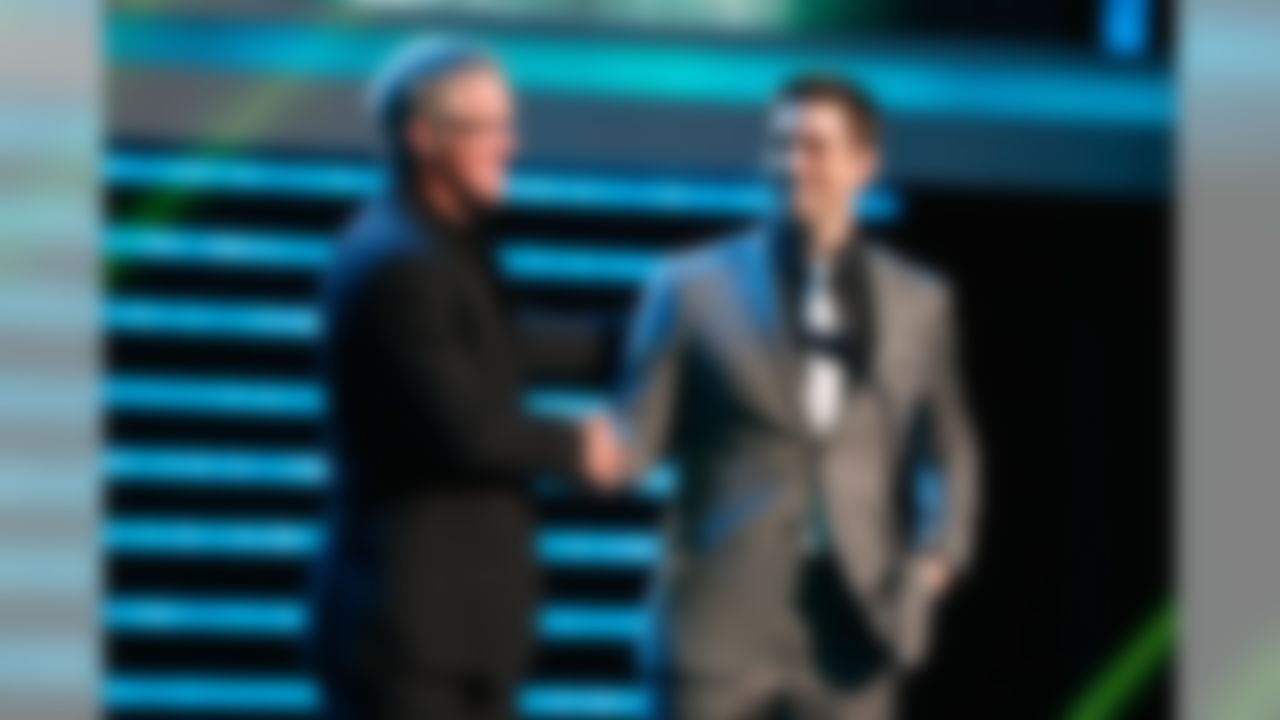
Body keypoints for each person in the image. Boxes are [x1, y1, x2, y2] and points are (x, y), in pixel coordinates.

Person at [611, 75, 982, 719]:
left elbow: (949, 450)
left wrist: (935, 560)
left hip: (855, 631)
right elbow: (634, 437)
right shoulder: (689, 287)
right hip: (716, 626)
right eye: (782, 145)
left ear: (865, 164)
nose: (792, 164)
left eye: (814, 146)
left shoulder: (919, 302)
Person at [310, 38, 626, 720]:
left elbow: (504, 346)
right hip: (412, 646)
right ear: (424, 138)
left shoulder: (442, 242)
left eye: (509, 125)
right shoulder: (396, 259)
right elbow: (464, 428)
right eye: (489, 128)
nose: (511, 146)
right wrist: (581, 447)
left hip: (458, 642)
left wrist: (641, 337)